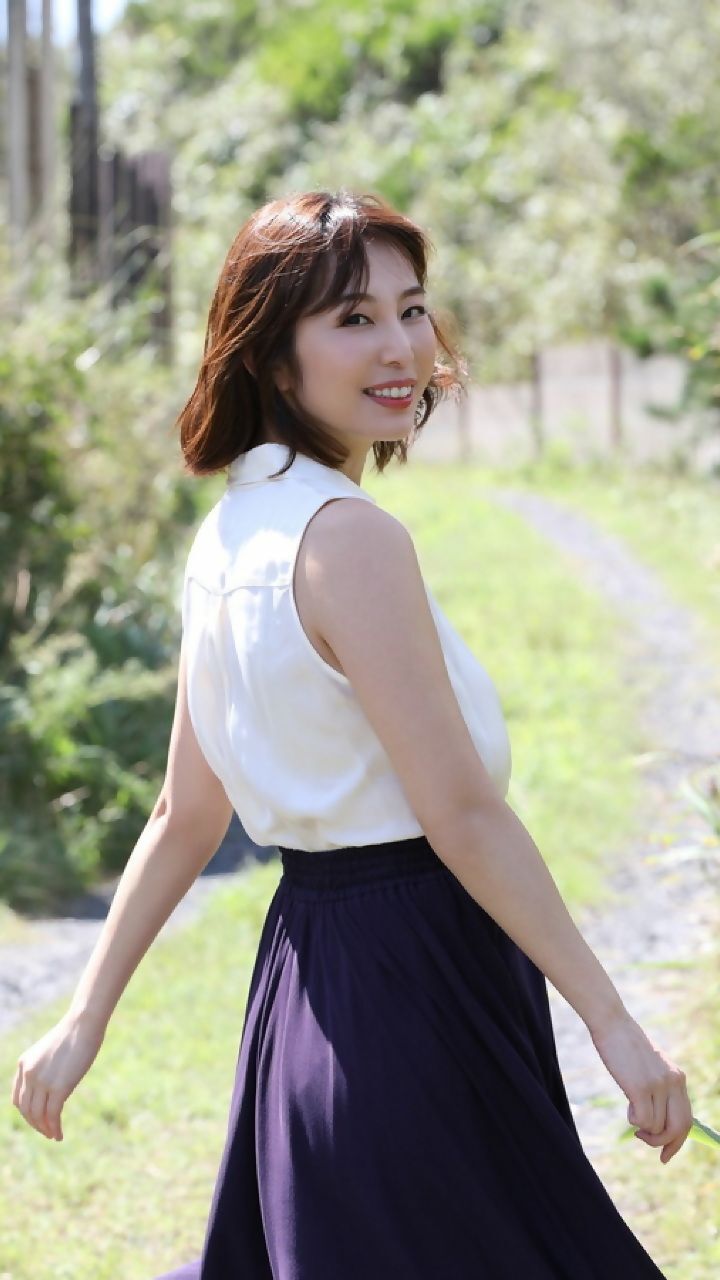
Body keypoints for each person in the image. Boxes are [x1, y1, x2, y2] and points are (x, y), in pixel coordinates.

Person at [11, 189, 693, 1278]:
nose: (401, 347)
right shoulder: (348, 539)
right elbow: (461, 814)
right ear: (274, 361)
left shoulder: (228, 534)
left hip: (308, 987)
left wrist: (85, 1019)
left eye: (411, 309)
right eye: (353, 319)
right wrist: (616, 1025)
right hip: (417, 980)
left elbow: (185, 813)